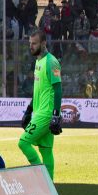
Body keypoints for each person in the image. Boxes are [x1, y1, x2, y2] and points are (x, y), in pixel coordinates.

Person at [19, 30, 63, 179]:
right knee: (46, 150)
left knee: (23, 143)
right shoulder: (38, 61)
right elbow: (38, 90)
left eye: (34, 43)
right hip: (39, 112)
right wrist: (29, 110)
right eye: (30, 43)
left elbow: (58, 89)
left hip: (46, 113)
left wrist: (56, 114)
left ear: (43, 43)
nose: (31, 46)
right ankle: (49, 189)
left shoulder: (51, 61)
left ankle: (41, 179)